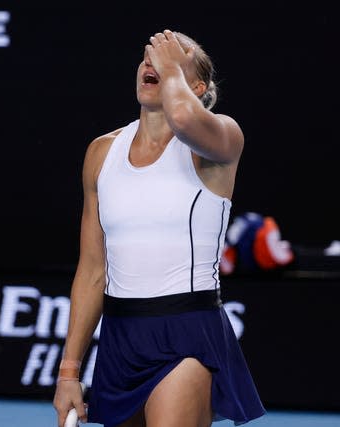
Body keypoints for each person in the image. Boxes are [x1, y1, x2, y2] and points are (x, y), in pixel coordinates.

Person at [52, 30, 266, 427]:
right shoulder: (102, 152)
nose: (153, 64)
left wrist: (170, 74)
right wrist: (69, 372)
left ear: (198, 87)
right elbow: (93, 269)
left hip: (188, 332)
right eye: (149, 56)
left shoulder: (221, 138)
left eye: (169, 59)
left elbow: (183, 117)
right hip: (119, 337)